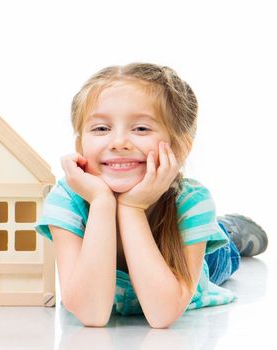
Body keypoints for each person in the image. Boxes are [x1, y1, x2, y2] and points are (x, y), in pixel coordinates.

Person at [35, 63, 268, 328]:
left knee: (220, 254)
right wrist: (101, 202)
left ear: (180, 148)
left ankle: (228, 232)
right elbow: (91, 314)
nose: (118, 142)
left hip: (200, 267)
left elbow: (162, 315)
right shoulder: (67, 199)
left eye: (141, 129)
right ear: (80, 145)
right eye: (101, 129)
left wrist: (131, 208)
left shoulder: (191, 203)